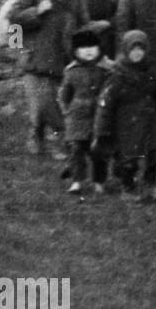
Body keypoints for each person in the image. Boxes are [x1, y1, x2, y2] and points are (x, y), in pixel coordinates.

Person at [9, 0, 91, 159]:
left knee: (51, 102)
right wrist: (37, 11)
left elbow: (83, 21)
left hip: (63, 53)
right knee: (44, 101)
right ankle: (55, 138)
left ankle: (40, 136)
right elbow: (14, 17)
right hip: (37, 53)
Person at [94, 29, 156, 202]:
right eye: (133, 49)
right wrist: (103, 128)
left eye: (141, 49)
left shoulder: (153, 72)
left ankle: (150, 184)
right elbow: (105, 104)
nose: (137, 53)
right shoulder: (117, 74)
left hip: (151, 120)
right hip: (126, 124)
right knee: (128, 157)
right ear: (125, 50)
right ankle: (127, 187)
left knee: (155, 153)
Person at [58, 28, 113, 195]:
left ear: (99, 49)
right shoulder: (71, 71)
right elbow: (64, 95)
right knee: (76, 149)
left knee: (99, 151)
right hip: (77, 116)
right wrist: (67, 111)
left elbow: (110, 91)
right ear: (75, 51)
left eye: (92, 47)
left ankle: (99, 181)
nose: (88, 51)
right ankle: (76, 181)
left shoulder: (105, 70)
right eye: (83, 48)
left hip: (99, 115)